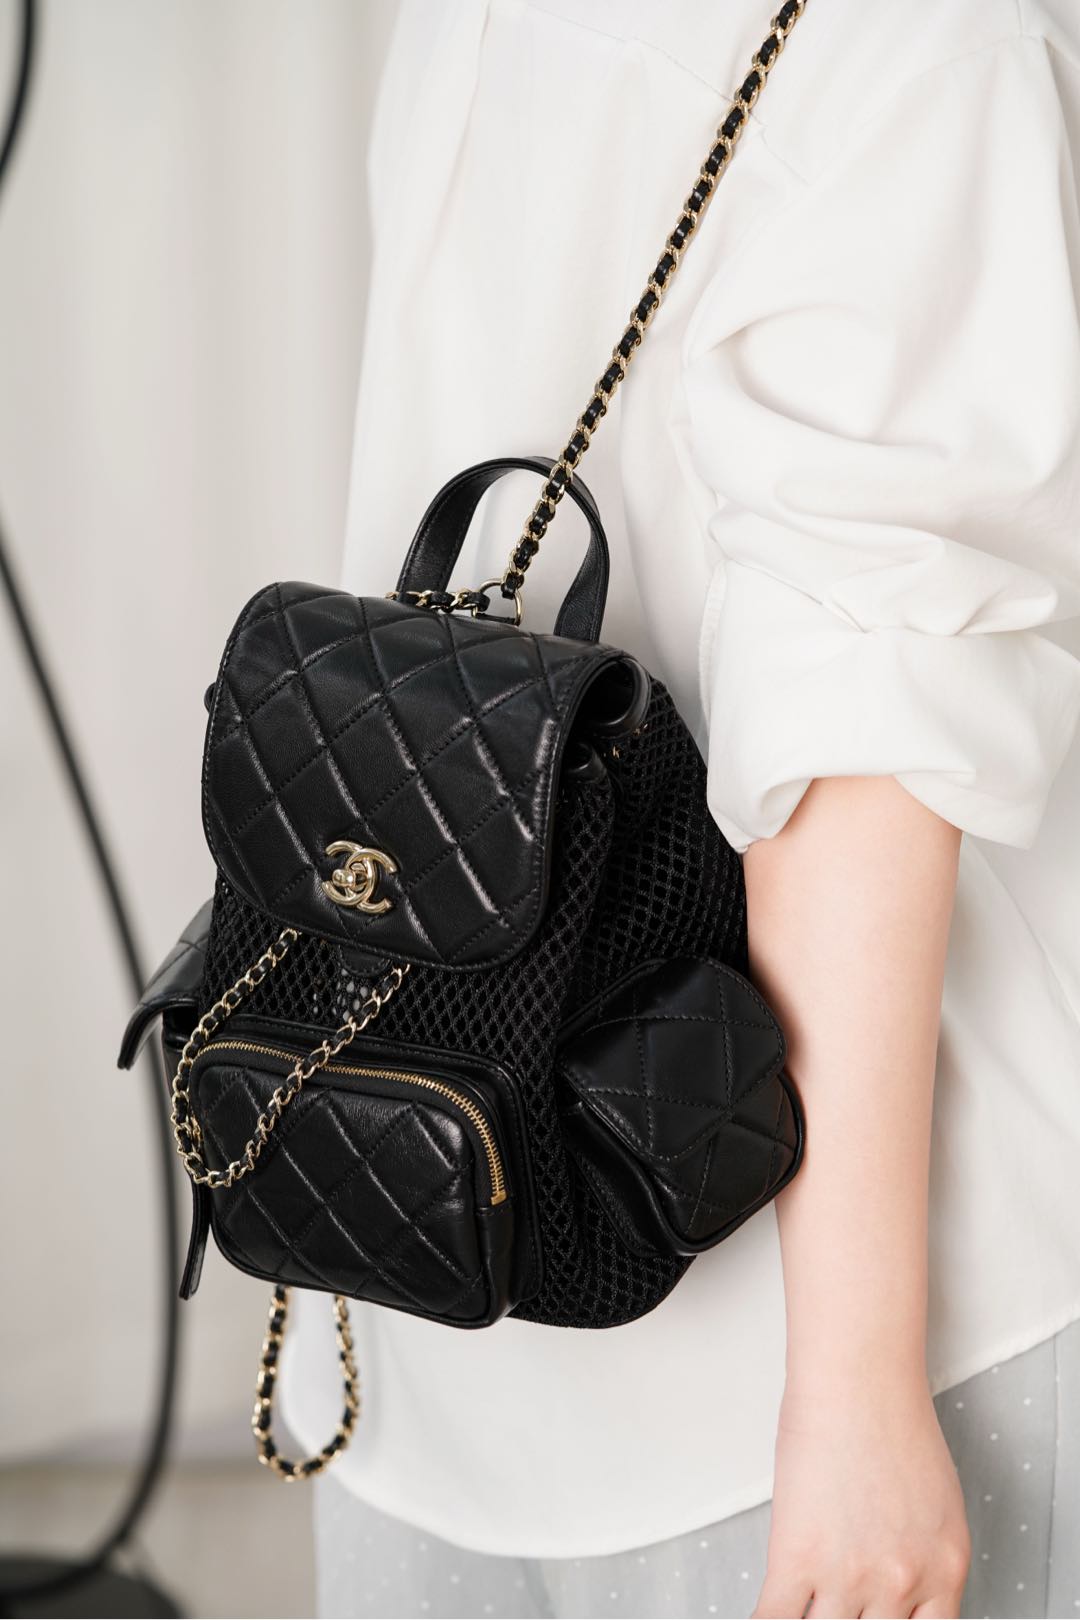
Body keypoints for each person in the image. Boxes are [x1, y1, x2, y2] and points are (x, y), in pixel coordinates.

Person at [280, 2, 1080, 1615]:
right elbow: (861, 735)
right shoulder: (930, 40)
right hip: (813, 1349)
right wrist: (855, 1390)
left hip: (414, 1218)